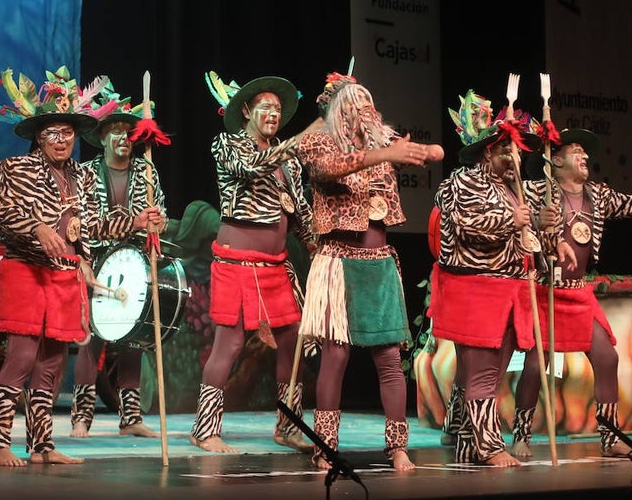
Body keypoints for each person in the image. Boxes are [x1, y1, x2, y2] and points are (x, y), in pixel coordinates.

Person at [0, 68, 163, 466]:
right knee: (21, 359)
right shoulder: (17, 169)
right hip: (27, 271)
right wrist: (37, 227)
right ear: (38, 136)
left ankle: (41, 445)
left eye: (68, 132)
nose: (63, 139)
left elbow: (93, 227)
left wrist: (136, 221)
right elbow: (7, 214)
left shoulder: (81, 177)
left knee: (50, 365)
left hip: (66, 276)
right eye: (54, 132)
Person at [511, 127, 632, 458]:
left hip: (579, 292)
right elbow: (515, 224)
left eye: (586, 152)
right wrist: (538, 223)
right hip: (546, 291)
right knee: (534, 366)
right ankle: (521, 436)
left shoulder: (598, 195)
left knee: (607, 357)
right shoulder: (535, 191)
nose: (585, 156)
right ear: (554, 161)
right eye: (576, 151)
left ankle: (610, 438)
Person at [296, 73, 443, 471]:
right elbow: (328, 170)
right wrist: (386, 154)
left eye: (368, 104)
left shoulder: (384, 148)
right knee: (336, 356)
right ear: (338, 111)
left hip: (378, 266)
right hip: (338, 262)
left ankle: (397, 447)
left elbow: (432, 155)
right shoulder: (318, 143)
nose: (363, 111)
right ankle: (324, 446)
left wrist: (423, 151)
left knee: (390, 360)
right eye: (354, 104)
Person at [431, 89, 573, 467]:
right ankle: (490, 446)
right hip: (474, 289)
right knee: (482, 372)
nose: (514, 159)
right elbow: (466, 225)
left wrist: (544, 231)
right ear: (486, 154)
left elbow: (524, 240)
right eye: (505, 152)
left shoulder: (517, 189)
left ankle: (468, 444)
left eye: (516, 153)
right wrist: (513, 220)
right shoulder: (463, 181)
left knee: (491, 374)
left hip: (509, 291)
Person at [191, 73, 315, 454]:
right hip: (236, 262)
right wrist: (293, 145)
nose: (273, 114)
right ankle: (205, 430)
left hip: (275, 265)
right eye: (265, 106)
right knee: (229, 345)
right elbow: (252, 168)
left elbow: (300, 210)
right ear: (246, 110)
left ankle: (288, 425)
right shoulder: (227, 145)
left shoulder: (289, 162)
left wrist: (316, 245)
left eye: (278, 109)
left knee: (291, 344)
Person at [71, 89, 167, 438]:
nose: (123, 138)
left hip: (134, 262)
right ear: (101, 136)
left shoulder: (147, 172)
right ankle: (82, 415)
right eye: (115, 132)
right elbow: (85, 223)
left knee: (132, 338)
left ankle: (131, 418)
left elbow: (161, 216)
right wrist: (134, 222)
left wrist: (158, 222)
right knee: (91, 338)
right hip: (96, 261)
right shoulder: (85, 174)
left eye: (128, 132)